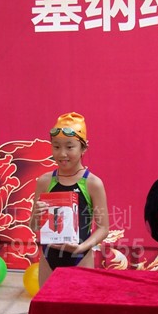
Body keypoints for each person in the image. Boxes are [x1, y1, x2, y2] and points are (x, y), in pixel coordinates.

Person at [29, 112, 109, 286]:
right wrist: (36, 215)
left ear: (84, 148)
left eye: (70, 147)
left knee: (78, 304)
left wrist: (82, 247)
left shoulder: (92, 183)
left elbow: (103, 228)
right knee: (48, 304)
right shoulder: (44, 181)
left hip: (80, 257)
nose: (62, 153)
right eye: (56, 147)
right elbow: (34, 226)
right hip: (48, 258)